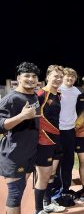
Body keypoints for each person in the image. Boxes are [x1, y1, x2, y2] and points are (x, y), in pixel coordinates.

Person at [0, 62, 41, 214]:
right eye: (27, 76)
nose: (31, 79)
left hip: (29, 153)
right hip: (14, 154)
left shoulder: (34, 95)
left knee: (20, 191)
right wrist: (21, 116)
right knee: (15, 194)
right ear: (18, 78)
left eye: (34, 76)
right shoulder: (11, 98)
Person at [35, 65, 65, 213]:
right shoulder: (41, 94)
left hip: (56, 139)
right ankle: (38, 209)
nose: (58, 79)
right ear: (47, 77)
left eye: (61, 77)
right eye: (55, 76)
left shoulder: (57, 95)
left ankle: (47, 203)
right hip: (44, 141)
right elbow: (31, 117)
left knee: (51, 175)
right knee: (43, 177)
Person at [57, 67, 81, 198]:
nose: (70, 78)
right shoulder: (57, 90)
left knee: (68, 162)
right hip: (57, 131)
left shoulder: (76, 91)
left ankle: (65, 189)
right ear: (63, 77)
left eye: (73, 77)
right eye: (68, 76)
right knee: (56, 162)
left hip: (70, 131)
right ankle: (54, 191)